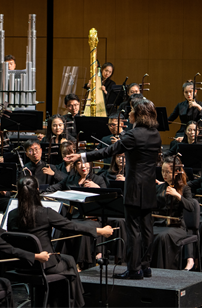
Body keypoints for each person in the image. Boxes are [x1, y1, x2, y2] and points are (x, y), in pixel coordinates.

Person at [67, 98, 161, 279]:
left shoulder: (133, 135)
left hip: (134, 188)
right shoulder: (155, 134)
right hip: (149, 188)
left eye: (131, 111)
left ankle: (134, 270)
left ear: (138, 115)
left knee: (133, 230)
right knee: (147, 228)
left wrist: (82, 155)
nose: (128, 115)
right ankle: (146, 266)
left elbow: (107, 152)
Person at [7, 176, 112, 308]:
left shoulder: (11, 215)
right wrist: (100, 231)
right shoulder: (45, 213)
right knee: (70, 263)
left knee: (66, 260)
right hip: (44, 265)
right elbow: (73, 226)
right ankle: (76, 305)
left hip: (21, 265)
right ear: (37, 191)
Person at [151, 156, 194, 270]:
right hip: (161, 224)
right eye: (162, 171)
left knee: (162, 237)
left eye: (167, 172)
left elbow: (191, 207)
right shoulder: (160, 187)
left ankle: (163, 269)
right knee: (146, 234)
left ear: (176, 172)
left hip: (177, 227)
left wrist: (177, 195)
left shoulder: (185, 188)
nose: (164, 175)